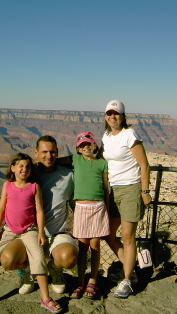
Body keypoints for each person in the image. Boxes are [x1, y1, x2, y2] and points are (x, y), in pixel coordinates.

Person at [0, 153, 61, 313]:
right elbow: (1, 208)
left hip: (29, 230)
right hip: (8, 230)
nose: (24, 169)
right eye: (21, 166)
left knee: (37, 257)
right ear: (13, 168)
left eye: (28, 166)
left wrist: (41, 233)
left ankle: (45, 298)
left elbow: (39, 210)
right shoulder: (7, 185)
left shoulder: (34, 187)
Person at [0, 135, 78, 296]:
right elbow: (11, 198)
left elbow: (75, 204)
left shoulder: (69, 175)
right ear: (36, 153)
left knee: (68, 258)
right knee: (7, 260)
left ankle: (55, 269)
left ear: (58, 153)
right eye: (44, 152)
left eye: (53, 152)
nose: (49, 156)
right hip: (30, 233)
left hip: (57, 233)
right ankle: (28, 270)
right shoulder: (28, 174)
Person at [99, 99, 152, 298]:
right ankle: (131, 270)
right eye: (109, 113)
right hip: (113, 191)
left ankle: (127, 280)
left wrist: (145, 192)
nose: (112, 117)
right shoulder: (106, 136)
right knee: (109, 234)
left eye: (116, 113)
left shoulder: (130, 135)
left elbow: (144, 165)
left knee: (128, 237)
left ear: (123, 116)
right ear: (105, 116)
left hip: (131, 189)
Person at [56, 131, 110, 300]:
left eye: (89, 143)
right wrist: (37, 162)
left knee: (95, 245)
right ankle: (80, 281)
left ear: (95, 145)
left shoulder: (102, 164)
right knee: (82, 247)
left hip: (98, 206)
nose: (86, 147)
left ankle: (92, 280)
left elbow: (106, 188)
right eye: (82, 145)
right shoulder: (75, 160)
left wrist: (107, 209)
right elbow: (55, 161)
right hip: (81, 207)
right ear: (78, 149)